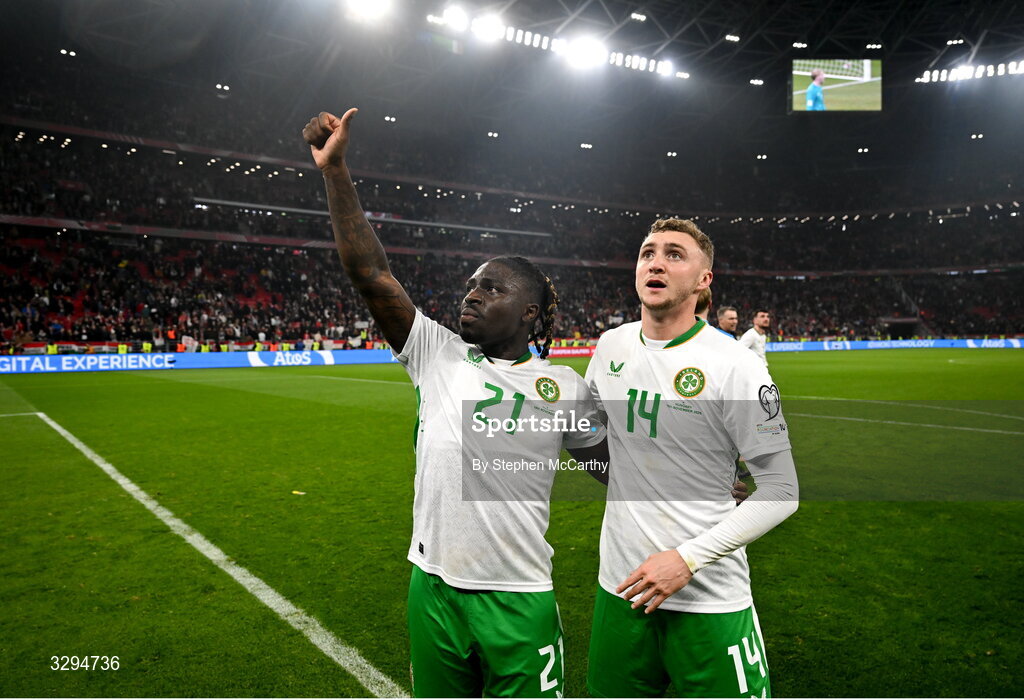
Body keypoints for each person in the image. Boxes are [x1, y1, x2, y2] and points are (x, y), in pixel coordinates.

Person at [302, 108, 611, 697]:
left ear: (528, 314)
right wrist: (336, 169)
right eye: (471, 284)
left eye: (490, 288)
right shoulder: (436, 354)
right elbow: (369, 273)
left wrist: (699, 473)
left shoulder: (565, 387)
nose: (471, 294)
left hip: (518, 596)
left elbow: (614, 471)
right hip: (433, 585)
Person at [585, 218, 799, 698]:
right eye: (647, 253)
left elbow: (783, 492)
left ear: (704, 281)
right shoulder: (611, 346)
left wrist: (687, 559)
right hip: (619, 590)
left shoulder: (737, 365)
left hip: (708, 597)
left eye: (675, 254)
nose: (656, 262)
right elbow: (589, 436)